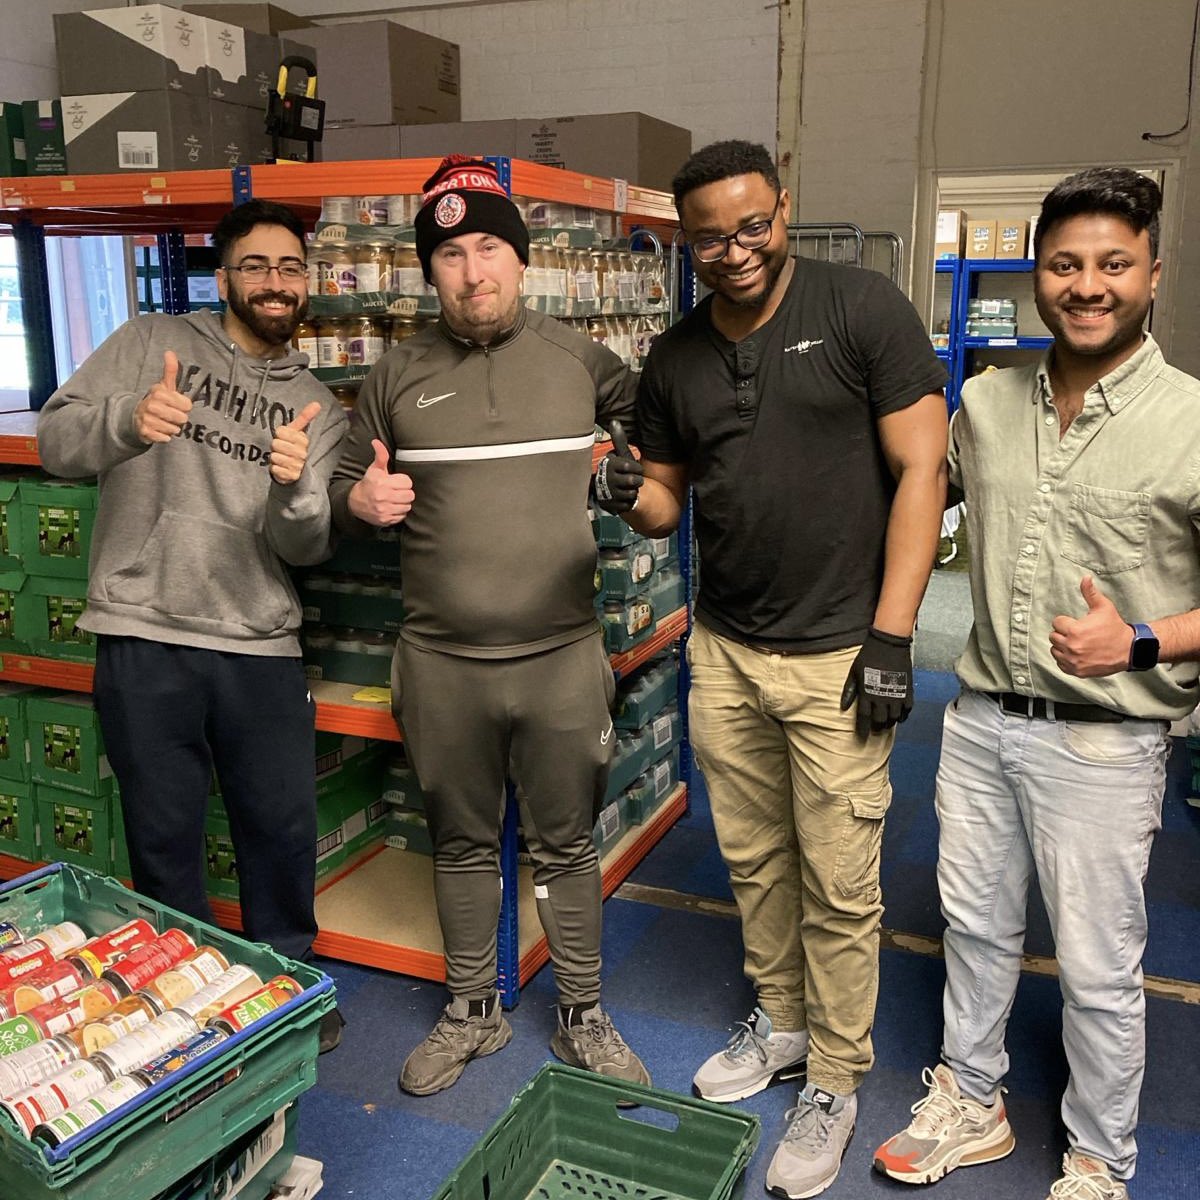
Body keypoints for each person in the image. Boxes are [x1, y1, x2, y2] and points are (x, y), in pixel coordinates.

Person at [594, 138, 949, 1197]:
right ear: (685, 240)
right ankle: (785, 1022)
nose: (736, 250)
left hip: (842, 649)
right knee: (753, 856)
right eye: (710, 236)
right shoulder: (677, 355)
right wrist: (622, 486)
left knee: (840, 881)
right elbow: (665, 499)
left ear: (783, 210)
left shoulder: (860, 308)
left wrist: (894, 636)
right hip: (729, 649)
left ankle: (837, 1077)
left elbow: (923, 467)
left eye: (754, 225)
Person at [873, 167, 1199, 1200]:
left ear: (1153, 272)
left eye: (1113, 263)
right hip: (975, 722)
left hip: (1106, 739)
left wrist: (1141, 642)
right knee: (972, 928)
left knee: (1099, 972)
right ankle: (973, 1102)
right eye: (1066, 264)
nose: (1087, 284)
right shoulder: (985, 400)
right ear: (1037, 274)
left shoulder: (1190, 420)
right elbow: (920, 494)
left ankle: (1102, 1158)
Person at [327, 155, 650, 1096]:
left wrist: (621, 472)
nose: (474, 272)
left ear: (522, 258)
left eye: (490, 249)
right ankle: (474, 1010)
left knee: (568, 843)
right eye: (453, 255)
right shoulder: (393, 376)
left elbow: (648, 443)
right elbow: (347, 486)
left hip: (559, 656)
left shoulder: (580, 362)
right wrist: (363, 502)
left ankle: (583, 1014)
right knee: (461, 841)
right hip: (442, 661)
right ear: (429, 273)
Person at [37, 198, 348, 1049]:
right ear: (225, 278)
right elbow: (56, 440)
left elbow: (307, 544)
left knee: (281, 829)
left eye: (290, 268)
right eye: (256, 266)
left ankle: (285, 986)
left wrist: (295, 490)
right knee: (165, 836)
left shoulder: (320, 406)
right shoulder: (148, 343)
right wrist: (127, 423)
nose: (275, 283)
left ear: (306, 283)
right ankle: (182, 1004)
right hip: (144, 628)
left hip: (258, 641)